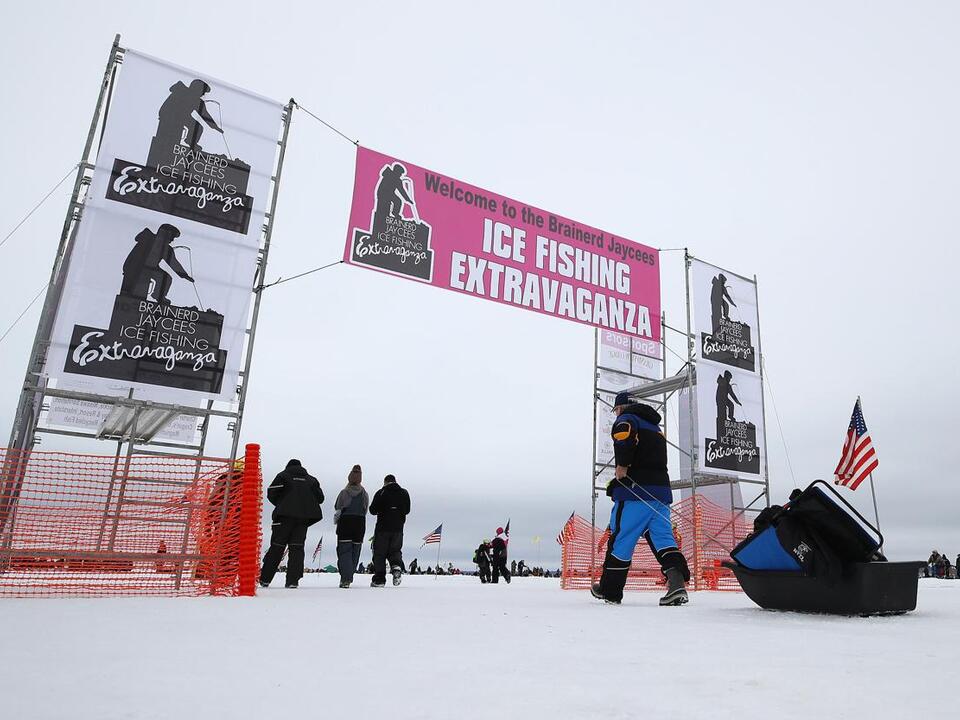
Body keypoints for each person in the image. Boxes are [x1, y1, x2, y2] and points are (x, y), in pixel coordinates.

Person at [592, 393, 690, 606]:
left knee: (622, 538)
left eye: (616, 410)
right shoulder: (655, 427)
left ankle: (610, 590)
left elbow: (623, 437)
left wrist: (622, 467)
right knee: (664, 539)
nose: (616, 414)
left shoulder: (626, 419)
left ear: (620, 407)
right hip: (661, 493)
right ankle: (677, 585)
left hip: (635, 492)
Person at [259, 459, 323, 589]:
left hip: (283, 518)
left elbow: (271, 492)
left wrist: (282, 503)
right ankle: (293, 581)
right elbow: (320, 498)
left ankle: (265, 579)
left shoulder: (283, 476)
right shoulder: (311, 480)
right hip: (302, 519)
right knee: (297, 549)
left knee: (277, 547)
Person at [120, 224, 194, 304]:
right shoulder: (148, 238)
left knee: (166, 278)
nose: (172, 240)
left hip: (152, 269)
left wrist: (184, 275)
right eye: (172, 237)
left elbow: (174, 263)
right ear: (165, 234)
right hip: (138, 267)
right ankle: (126, 295)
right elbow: (134, 254)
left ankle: (158, 295)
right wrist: (126, 267)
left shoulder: (167, 249)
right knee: (134, 292)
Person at [369, 474, 411, 587]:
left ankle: (379, 579)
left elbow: (372, 510)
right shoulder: (404, 493)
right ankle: (396, 566)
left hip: (382, 528)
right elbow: (407, 510)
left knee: (379, 553)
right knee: (395, 550)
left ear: (385, 482)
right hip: (398, 529)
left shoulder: (381, 492)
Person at [334, 465, 369, 589]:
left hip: (345, 522)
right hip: (359, 523)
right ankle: (349, 575)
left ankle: (345, 578)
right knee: (356, 550)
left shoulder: (344, 492)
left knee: (344, 551)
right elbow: (366, 509)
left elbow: (337, 507)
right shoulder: (364, 493)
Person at [715, 370, 742, 439]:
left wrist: (737, 402)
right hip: (720, 399)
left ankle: (730, 416)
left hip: (725, 398)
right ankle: (722, 425)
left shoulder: (728, 385)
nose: (730, 380)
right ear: (727, 377)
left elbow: (732, 394)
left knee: (731, 405)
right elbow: (720, 382)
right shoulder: (722, 381)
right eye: (729, 378)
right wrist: (725, 382)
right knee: (722, 413)